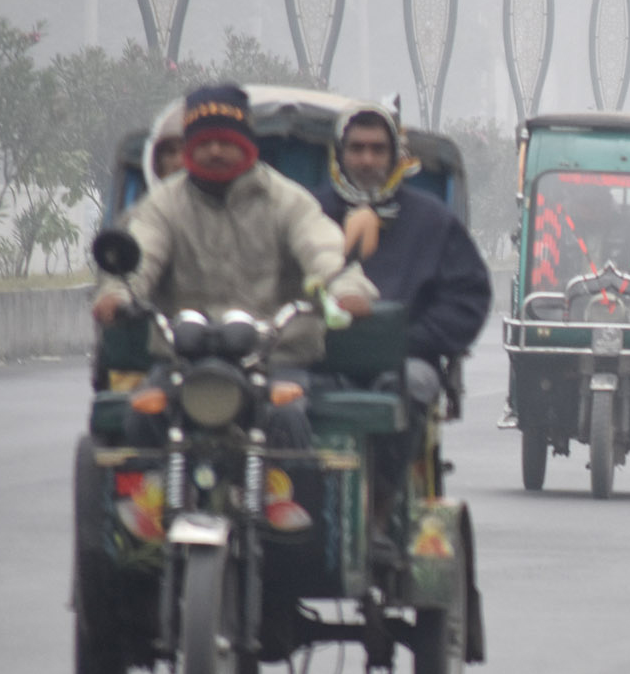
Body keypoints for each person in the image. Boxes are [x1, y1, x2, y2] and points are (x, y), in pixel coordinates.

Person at [93, 85, 376, 522]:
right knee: (142, 417)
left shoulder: (288, 200)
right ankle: (144, 549)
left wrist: (345, 290)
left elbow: (324, 252)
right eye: (204, 142)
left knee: (287, 418)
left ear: (248, 143)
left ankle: (289, 542)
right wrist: (117, 295)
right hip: (184, 361)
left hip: (273, 360)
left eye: (227, 141)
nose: (216, 152)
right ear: (189, 147)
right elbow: (139, 258)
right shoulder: (164, 205)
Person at [314, 102, 492, 419]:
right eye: (357, 149)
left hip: (407, 361)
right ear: (339, 153)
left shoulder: (432, 220)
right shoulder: (310, 215)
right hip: (318, 358)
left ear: (395, 155)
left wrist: (406, 339)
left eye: (377, 149)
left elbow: (468, 298)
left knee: (407, 389)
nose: (367, 160)